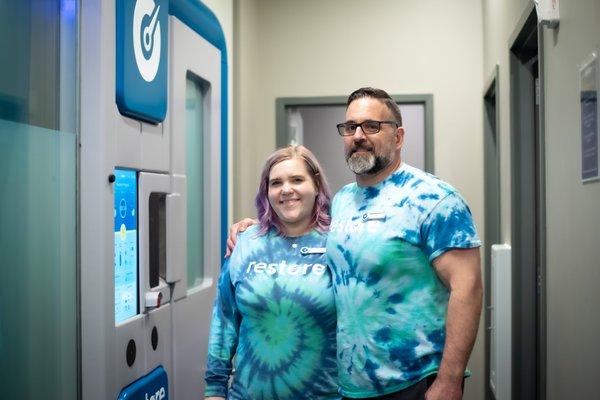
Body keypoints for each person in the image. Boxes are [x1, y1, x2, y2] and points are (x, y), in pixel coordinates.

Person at [228, 87, 483, 400]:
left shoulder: (434, 199)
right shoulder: (345, 200)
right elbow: (306, 230)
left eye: (372, 126)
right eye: (350, 128)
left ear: (398, 137)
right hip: (352, 387)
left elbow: (468, 288)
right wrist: (255, 229)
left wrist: (450, 380)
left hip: (415, 383)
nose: (358, 135)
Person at [205, 145, 340, 400]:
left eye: (297, 180)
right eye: (276, 182)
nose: (286, 189)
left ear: (316, 185)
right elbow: (224, 323)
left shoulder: (338, 245)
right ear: (267, 192)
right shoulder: (245, 243)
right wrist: (214, 391)